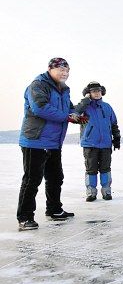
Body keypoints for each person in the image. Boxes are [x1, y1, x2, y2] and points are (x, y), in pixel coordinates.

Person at [17, 58, 78, 231]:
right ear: (50, 69)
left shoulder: (64, 89)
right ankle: (24, 217)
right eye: (61, 70)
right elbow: (40, 107)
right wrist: (66, 117)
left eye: (67, 71)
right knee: (32, 179)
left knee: (55, 177)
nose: (64, 74)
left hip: (53, 142)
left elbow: (69, 108)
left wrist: (75, 115)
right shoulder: (38, 85)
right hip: (35, 140)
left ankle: (54, 209)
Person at [74, 81, 121, 201]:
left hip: (105, 144)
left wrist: (116, 138)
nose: (97, 93)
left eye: (98, 91)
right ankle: (91, 192)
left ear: (102, 92)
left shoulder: (107, 107)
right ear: (88, 93)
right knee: (91, 169)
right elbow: (75, 112)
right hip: (90, 143)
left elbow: (114, 124)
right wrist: (85, 100)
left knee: (106, 168)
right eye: (93, 91)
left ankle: (106, 192)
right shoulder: (85, 107)